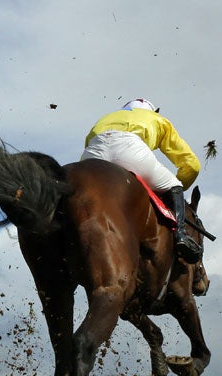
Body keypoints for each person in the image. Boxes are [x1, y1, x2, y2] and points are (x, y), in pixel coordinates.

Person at [81, 98, 202, 262]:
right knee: (174, 185)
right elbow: (191, 165)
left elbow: (88, 143)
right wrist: (171, 193)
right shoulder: (158, 119)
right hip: (130, 149)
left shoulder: (106, 118)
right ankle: (180, 235)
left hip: (92, 154)